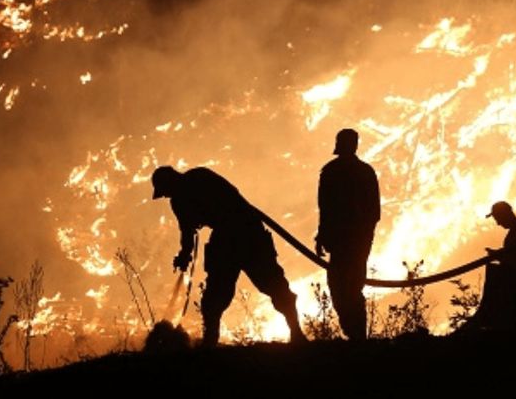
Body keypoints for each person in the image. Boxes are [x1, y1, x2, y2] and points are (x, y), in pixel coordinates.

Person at [152, 165, 306, 346]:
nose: (166, 196)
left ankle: (296, 333)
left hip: (246, 234)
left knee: (273, 285)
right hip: (231, 237)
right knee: (215, 298)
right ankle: (210, 343)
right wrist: (184, 255)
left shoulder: (199, 179)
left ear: (171, 181)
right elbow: (187, 231)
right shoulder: (180, 199)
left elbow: (231, 200)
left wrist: (186, 251)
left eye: (165, 191)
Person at [315, 129, 380, 340]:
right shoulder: (365, 172)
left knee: (343, 287)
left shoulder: (331, 172)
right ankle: (356, 335)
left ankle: (356, 336)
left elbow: (326, 209)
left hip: (344, 242)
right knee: (349, 287)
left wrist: (323, 237)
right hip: (354, 242)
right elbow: (374, 213)